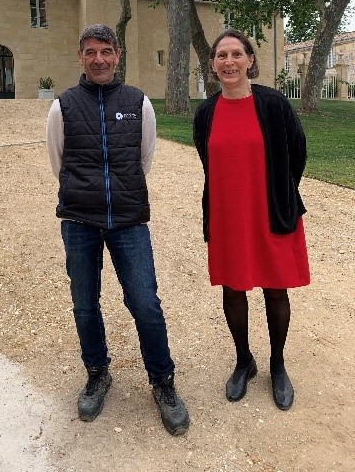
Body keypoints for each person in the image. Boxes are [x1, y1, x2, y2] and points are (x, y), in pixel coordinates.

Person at [46, 24, 189, 435]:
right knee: (85, 304)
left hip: (128, 222)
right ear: (80, 57)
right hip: (79, 221)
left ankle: (162, 381)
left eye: (106, 51)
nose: (99, 59)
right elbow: (58, 162)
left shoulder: (138, 102)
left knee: (145, 302)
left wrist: (119, 193)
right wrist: (85, 194)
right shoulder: (63, 106)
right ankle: (97, 372)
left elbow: (144, 160)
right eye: (90, 52)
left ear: (118, 54)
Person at [192, 28, 310, 411]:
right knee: (233, 289)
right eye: (221, 56)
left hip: (270, 210)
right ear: (212, 65)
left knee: (276, 289)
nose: (229, 62)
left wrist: (282, 192)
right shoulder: (205, 113)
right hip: (228, 215)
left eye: (236, 55)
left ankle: (277, 364)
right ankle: (245, 359)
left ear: (250, 60)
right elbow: (208, 161)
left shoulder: (274, 104)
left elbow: (297, 150)